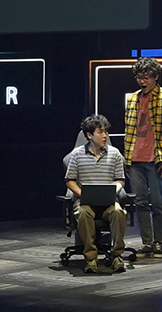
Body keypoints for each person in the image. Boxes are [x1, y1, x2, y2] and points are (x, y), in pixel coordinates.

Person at [121, 57, 162, 258]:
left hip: (155, 159)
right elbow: (129, 131)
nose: (142, 81)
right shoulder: (132, 99)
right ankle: (146, 243)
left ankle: (158, 243)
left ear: (155, 77)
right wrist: (126, 160)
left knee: (158, 203)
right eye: (139, 77)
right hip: (134, 159)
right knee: (140, 203)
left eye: (146, 78)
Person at [64, 114, 129, 273]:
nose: (105, 135)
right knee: (83, 213)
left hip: (108, 202)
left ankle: (116, 255)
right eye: (100, 132)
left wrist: (114, 189)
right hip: (85, 202)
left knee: (118, 212)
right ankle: (91, 258)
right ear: (89, 135)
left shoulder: (114, 153)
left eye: (106, 131)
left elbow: (120, 179)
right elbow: (70, 181)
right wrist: (82, 194)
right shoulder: (77, 154)